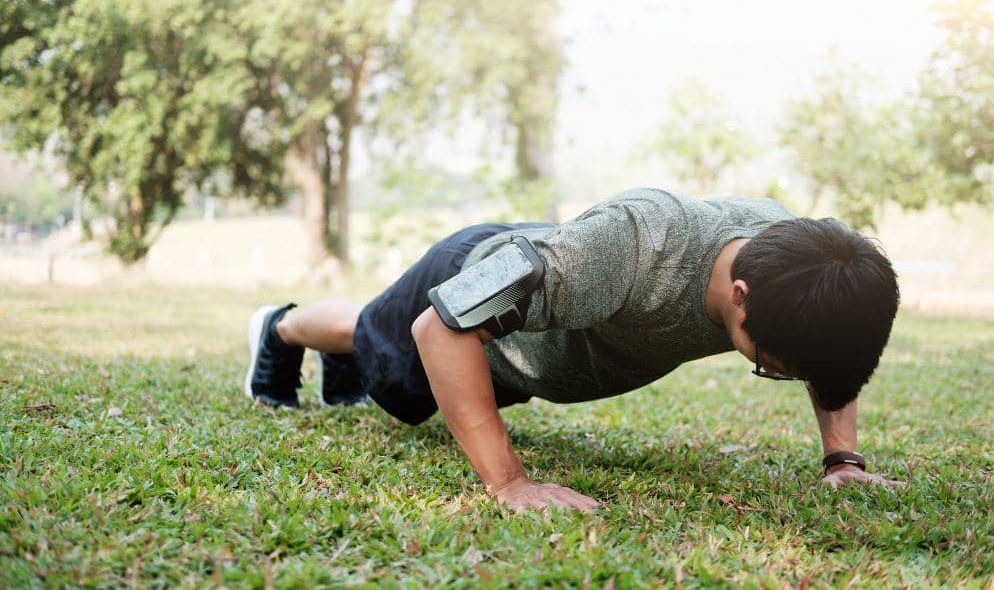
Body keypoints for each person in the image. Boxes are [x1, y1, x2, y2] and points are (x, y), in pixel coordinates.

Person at [243, 188, 905, 513]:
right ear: (739, 295)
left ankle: (341, 354)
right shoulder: (636, 246)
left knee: (375, 347)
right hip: (471, 282)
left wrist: (840, 457)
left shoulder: (807, 263)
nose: (786, 373)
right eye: (772, 364)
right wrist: (510, 482)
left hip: (531, 342)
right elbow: (441, 327)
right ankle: (280, 327)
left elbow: (830, 340)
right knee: (382, 349)